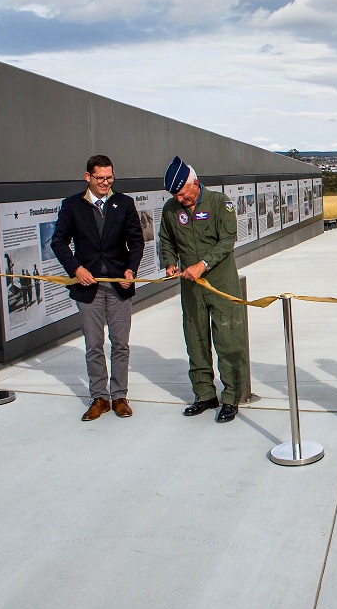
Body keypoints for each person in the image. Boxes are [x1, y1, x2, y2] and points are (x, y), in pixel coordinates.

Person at [50, 155, 145, 421]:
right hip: (87, 288)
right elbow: (58, 242)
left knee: (120, 344)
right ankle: (99, 397)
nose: (105, 182)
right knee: (93, 345)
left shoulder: (124, 204)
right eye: (100, 178)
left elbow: (136, 242)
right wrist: (76, 269)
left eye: (110, 177)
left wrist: (131, 270)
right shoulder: (71, 206)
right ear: (88, 177)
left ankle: (119, 396)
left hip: (118, 287)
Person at [158, 156, 247, 423]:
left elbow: (228, 239)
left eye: (184, 194)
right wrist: (170, 263)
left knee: (228, 341)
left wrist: (202, 264)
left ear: (195, 183)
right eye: (176, 195)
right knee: (195, 339)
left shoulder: (220, 203)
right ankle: (205, 394)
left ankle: (231, 397)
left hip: (221, 284)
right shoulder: (170, 209)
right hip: (191, 287)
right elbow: (167, 240)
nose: (181, 199)